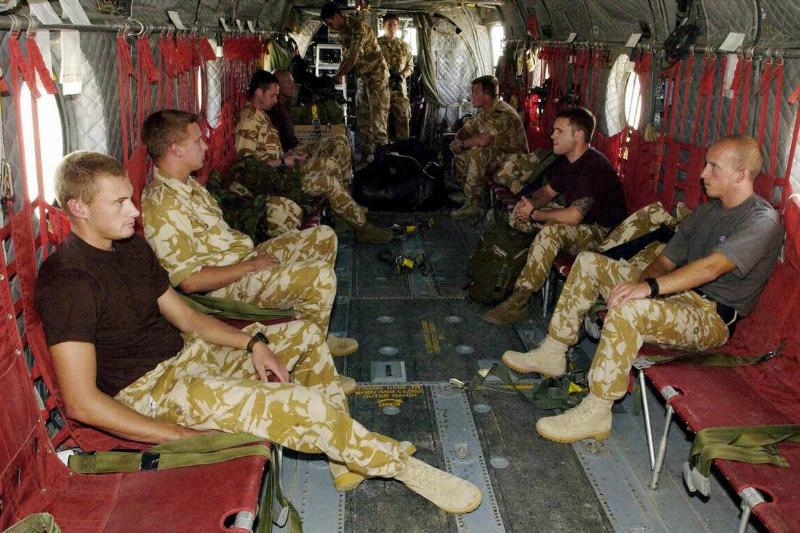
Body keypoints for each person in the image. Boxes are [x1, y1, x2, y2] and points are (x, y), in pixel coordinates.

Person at [35, 151, 483, 514]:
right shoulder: (69, 281)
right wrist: (181, 437)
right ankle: (397, 465)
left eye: (131, 198)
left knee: (304, 337)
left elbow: (187, 318)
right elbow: (81, 402)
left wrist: (254, 343)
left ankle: (343, 455)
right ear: (78, 208)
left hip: (187, 355)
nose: (135, 211)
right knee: (300, 403)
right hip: (153, 392)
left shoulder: (129, 248)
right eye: (119, 203)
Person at [501, 135, 783, 443]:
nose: (703, 174)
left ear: (741, 174)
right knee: (589, 263)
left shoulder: (761, 220)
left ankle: (597, 411)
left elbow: (712, 267)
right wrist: (636, 285)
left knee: (630, 310)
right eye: (705, 165)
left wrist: (647, 290)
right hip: (676, 296)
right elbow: (664, 260)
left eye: (713, 168)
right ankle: (554, 350)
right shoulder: (707, 212)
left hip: (709, 316)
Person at [140, 109, 359, 358]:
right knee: (321, 277)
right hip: (221, 289)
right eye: (196, 140)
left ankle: (315, 330)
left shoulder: (188, 185)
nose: (205, 144)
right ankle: (310, 358)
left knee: (324, 237)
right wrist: (252, 266)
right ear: (175, 149)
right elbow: (190, 281)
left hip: (242, 261)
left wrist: (251, 257)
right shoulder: (163, 205)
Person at [483, 107, 628, 325]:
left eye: (559, 131)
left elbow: (574, 216)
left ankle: (520, 300)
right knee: (517, 217)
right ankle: (509, 270)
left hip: (604, 235)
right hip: (581, 226)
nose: (552, 136)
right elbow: (547, 192)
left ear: (578, 135)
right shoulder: (568, 161)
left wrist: (536, 214)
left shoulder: (593, 167)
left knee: (551, 231)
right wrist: (528, 204)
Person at [237, 70, 392, 244]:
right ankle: (362, 228)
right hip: (274, 181)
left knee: (331, 164)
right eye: (272, 95)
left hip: (283, 170)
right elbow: (246, 165)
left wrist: (288, 155)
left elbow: (266, 151)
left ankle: (345, 212)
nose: (275, 100)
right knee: (328, 182)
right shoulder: (249, 121)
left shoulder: (261, 115)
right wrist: (282, 161)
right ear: (259, 93)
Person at [449, 75, 528, 220]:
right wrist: (457, 141)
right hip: (499, 159)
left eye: (475, 92)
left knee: (477, 152)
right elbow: (466, 129)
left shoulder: (502, 113)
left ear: (487, 95)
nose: (471, 95)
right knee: (463, 152)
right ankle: (468, 195)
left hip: (515, 165)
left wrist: (462, 144)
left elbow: (484, 140)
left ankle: (474, 205)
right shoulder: (485, 111)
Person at [321, 2, 390, 161]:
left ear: (337, 16)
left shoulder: (359, 28)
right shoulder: (343, 31)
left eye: (331, 23)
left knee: (378, 123)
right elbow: (345, 57)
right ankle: (367, 159)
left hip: (377, 76)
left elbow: (353, 58)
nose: (331, 28)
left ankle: (384, 163)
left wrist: (337, 77)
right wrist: (335, 76)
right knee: (363, 120)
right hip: (363, 77)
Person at [269, 69, 353, 186]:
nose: (293, 86)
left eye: (293, 82)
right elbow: (278, 146)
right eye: (289, 83)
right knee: (333, 157)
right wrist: (292, 155)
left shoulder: (284, 106)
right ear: (278, 86)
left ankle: (345, 185)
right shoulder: (275, 111)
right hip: (292, 157)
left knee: (340, 139)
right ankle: (341, 190)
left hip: (298, 149)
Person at [378, 13, 414, 141]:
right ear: (384, 25)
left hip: (399, 90)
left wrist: (401, 75)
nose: (392, 27)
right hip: (381, 89)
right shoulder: (376, 44)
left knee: (403, 118)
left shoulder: (404, 46)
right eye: (389, 24)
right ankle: (383, 153)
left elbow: (410, 67)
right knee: (380, 123)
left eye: (395, 25)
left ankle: (402, 151)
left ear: (398, 26)